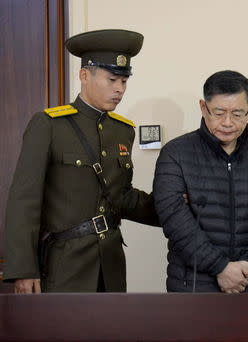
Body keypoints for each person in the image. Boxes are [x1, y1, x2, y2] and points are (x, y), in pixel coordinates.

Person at [3, 29, 160, 293]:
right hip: (65, 265)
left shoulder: (123, 130)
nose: (120, 89)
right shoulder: (49, 125)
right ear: (84, 75)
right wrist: (23, 269)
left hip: (110, 263)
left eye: (124, 81)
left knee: (111, 334)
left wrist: (174, 206)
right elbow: (24, 201)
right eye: (112, 80)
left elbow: (121, 197)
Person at [153, 70, 248, 293]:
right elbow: (175, 221)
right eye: (219, 112)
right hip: (193, 287)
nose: (227, 123)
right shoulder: (176, 154)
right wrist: (220, 267)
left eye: (237, 113)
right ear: (203, 107)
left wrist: (247, 266)